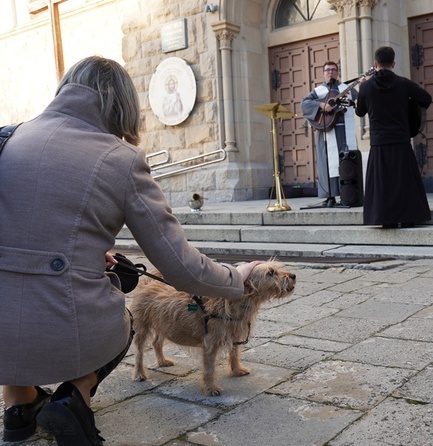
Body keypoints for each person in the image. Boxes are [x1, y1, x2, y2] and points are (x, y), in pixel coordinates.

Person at [0, 56, 260, 445]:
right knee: (127, 319)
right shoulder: (122, 161)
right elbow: (181, 266)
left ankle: (19, 409)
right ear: (123, 105)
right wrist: (235, 278)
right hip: (61, 329)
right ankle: (74, 396)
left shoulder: (6, 138)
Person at [355, 46, 432, 228]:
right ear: (393, 63)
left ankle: (386, 220)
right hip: (400, 140)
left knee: (383, 183)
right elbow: (426, 99)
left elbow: (360, 112)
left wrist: (361, 92)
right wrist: (410, 110)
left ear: (375, 64)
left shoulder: (366, 86)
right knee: (403, 180)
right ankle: (407, 219)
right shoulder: (403, 83)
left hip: (379, 142)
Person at [301, 61, 359, 206]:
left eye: (333, 69)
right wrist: (321, 105)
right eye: (327, 70)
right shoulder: (318, 90)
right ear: (323, 73)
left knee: (347, 163)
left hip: (345, 131)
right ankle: (330, 196)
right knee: (327, 163)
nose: (330, 72)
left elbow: (358, 101)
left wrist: (357, 101)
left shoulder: (346, 88)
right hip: (326, 131)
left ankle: (348, 195)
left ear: (337, 72)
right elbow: (304, 104)